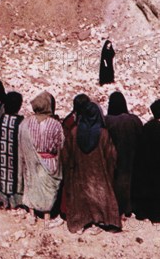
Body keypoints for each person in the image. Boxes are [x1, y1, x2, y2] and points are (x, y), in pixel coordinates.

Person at [62, 101, 121, 234]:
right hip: (98, 175)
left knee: (80, 198)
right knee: (100, 196)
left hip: (80, 174)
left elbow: (66, 155)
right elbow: (112, 156)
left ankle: (81, 222)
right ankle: (99, 221)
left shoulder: (74, 132)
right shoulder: (103, 134)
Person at [18, 91, 64, 226]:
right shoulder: (55, 125)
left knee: (31, 185)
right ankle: (46, 218)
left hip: (30, 161)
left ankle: (32, 215)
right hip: (49, 161)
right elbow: (60, 144)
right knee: (47, 191)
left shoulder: (25, 123)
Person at [132, 99, 160, 223]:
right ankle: (157, 216)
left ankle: (143, 213)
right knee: (159, 190)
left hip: (146, 163)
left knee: (147, 188)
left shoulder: (146, 127)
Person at [104, 91, 143, 217]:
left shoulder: (107, 121)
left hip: (114, 157)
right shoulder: (134, 120)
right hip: (133, 156)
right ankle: (130, 207)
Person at [0, 91, 25, 209]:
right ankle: (16, 203)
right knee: (17, 178)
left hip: (1, 161)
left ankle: (3, 201)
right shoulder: (21, 123)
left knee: (2, 177)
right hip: (16, 163)